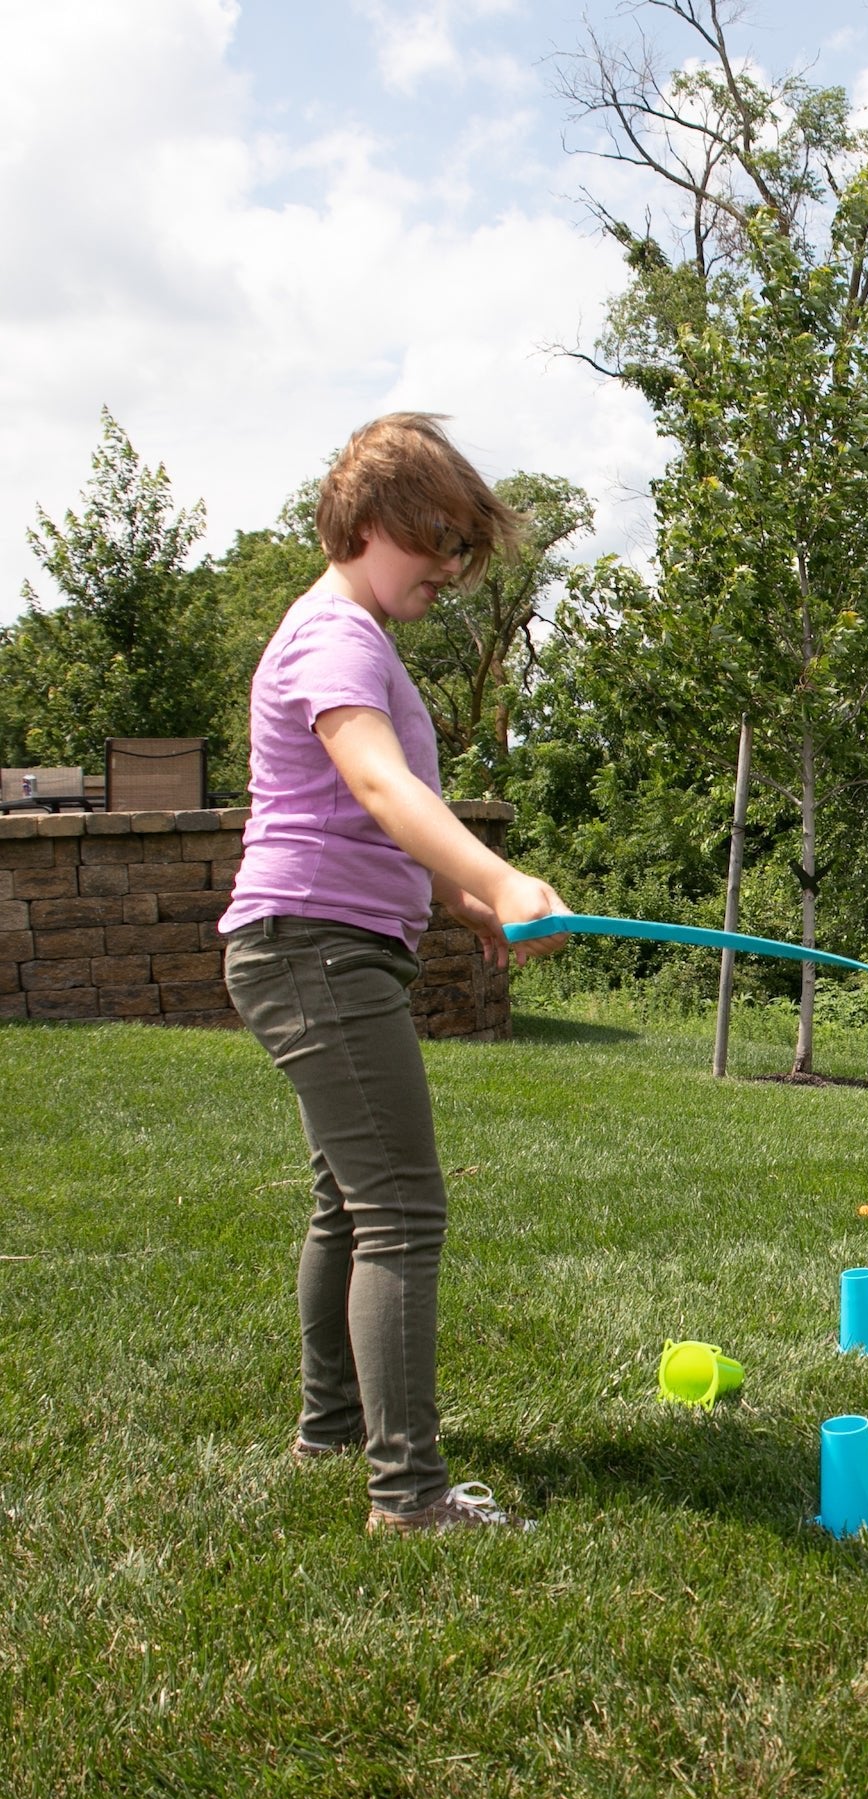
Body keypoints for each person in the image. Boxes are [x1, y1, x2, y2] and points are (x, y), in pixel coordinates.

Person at [221, 413, 568, 1535]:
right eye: (443, 543)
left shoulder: (344, 630)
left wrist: (474, 908)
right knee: (401, 1208)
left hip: (318, 942)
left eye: (467, 551)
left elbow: (371, 831)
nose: (456, 571)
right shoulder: (340, 640)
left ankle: (331, 1430)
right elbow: (377, 789)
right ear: (372, 522)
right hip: (314, 950)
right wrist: (503, 875)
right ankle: (409, 1496)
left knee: (348, 1200)